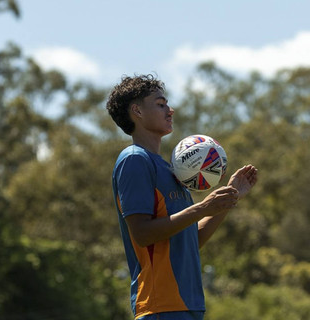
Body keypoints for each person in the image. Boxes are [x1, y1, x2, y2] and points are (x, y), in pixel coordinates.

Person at [107, 74, 258, 320]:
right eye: (160, 104)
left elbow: (190, 240)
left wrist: (226, 201)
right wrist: (202, 207)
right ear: (137, 111)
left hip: (189, 305)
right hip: (160, 306)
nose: (170, 110)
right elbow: (143, 234)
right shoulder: (134, 159)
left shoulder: (170, 170)